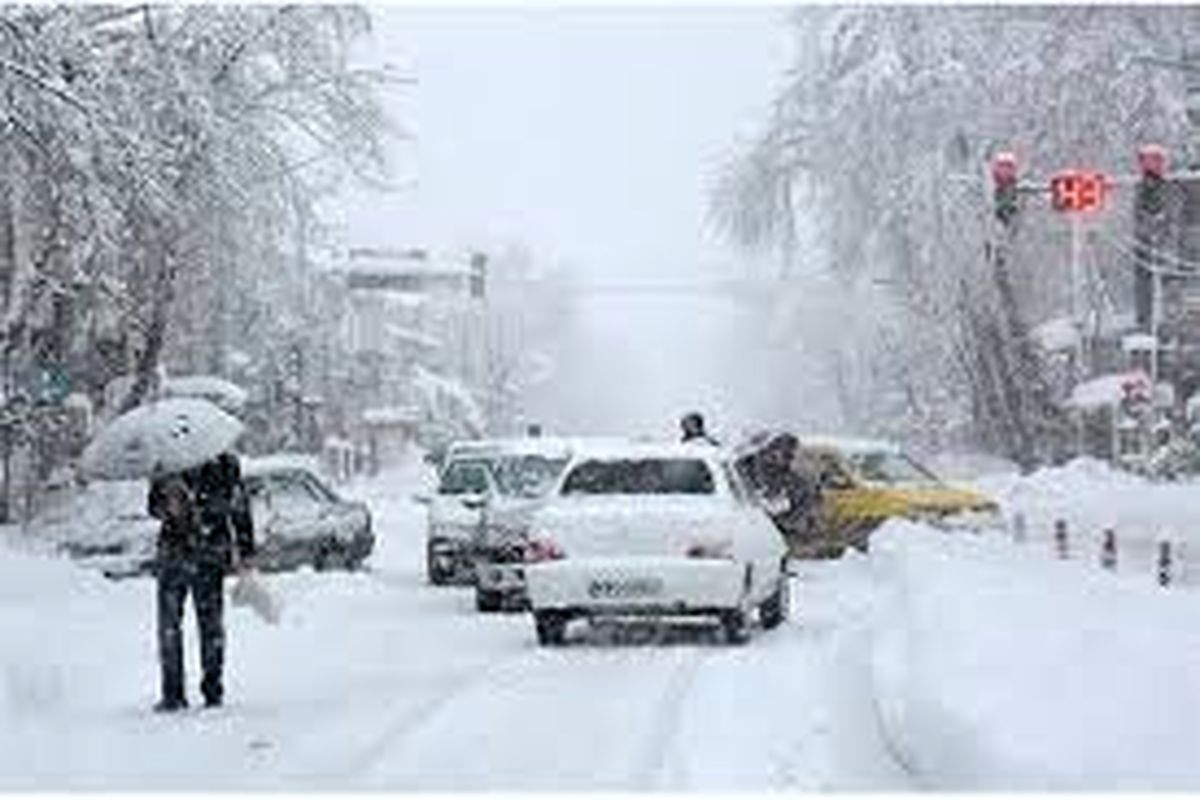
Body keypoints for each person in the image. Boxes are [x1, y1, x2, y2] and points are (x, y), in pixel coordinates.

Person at [148, 452, 254, 712]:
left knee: (210, 627)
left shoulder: (226, 464)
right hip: (174, 555)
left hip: (209, 556)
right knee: (169, 627)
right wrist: (167, 505)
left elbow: (240, 509)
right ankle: (173, 694)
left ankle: (212, 691)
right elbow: (152, 507)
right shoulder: (168, 464)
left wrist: (246, 551)